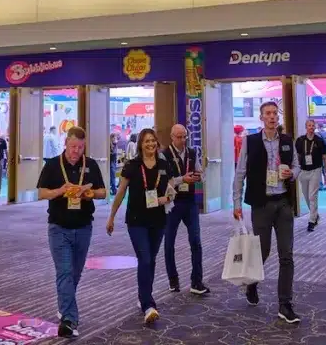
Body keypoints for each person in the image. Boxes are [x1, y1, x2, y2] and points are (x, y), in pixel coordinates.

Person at [232, 101, 301, 324]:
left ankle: (285, 303)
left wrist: (292, 173)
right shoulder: (250, 142)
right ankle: (252, 283)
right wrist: (236, 203)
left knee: (286, 254)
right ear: (261, 118)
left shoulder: (288, 141)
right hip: (261, 204)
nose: (272, 117)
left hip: (283, 203)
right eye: (268, 114)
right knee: (262, 251)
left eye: (275, 113)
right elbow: (240, 172)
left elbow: (298, 166)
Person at [37, 126, 106, 339]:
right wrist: (61, 191)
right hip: (58, 227)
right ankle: (69, 320)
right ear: (66, 143)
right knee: (65, 272)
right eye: (73, 146)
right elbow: (41, 192)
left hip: (84, 227)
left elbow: (103, 192)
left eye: (80, 147)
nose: (76, 151)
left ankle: (64, 304)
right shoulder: (52, 165)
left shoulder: (91, 165)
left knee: (75, 273)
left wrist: (88, 193)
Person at [107, 128, 172, 326]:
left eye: (153, 141)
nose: (150, 144)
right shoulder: (132, 166)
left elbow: (171, 191)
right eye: (146, 141)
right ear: (140, 145)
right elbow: (120, 192)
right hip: (136, 221)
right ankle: (148, 304)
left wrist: (166, 198)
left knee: (150, 261)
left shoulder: (164, 164)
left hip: (158, 219)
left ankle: (143, 295)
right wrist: (111, 217)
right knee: (144, 258)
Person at [161, 124, 208, 295]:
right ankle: (173, 279)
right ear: (172, 137)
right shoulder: (164, 155)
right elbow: (164, 182)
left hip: (189, 202)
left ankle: (197, 281)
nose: (182, 140)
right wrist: (183, 179)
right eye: (179, 137)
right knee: (169, 242)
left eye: (185, 137)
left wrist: (199, 176)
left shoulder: (192, 152)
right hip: (172, 202)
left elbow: (201, 172)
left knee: (196, 240)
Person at [296, 119, 326, 232]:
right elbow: (296, 156)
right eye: (309, 125)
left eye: (312, 125)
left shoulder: (319, 141)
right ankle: (315, 215)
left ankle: (311, 221)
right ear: (306, 127)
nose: (311, 127)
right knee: (306, 196)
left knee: (312, 196)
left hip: (316, 169)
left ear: (314, 127)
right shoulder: (300, 140)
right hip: (303, 171)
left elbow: (325, 157)